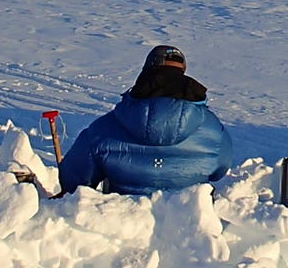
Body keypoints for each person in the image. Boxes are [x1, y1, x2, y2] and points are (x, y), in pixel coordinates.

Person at [57, 44, 233, 195]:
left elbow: (74, 181)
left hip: (124, 219)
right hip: (188, 218)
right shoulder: (212, 129)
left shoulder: (105, 127)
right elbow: (219, 170)